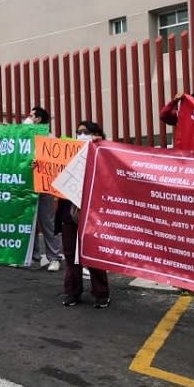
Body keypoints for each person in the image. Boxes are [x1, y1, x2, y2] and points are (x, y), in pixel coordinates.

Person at [60, 121, 110, 307]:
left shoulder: (103, 152)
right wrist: (40, 167)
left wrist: (100, 144)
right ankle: (72, 292)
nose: (80, 135)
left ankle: (101, 293)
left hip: (92, 212)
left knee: (94, 253)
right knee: (71, 254)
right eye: (77, 132)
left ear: (95, 134)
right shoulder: (69, 153)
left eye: (85, 132)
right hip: (69, 212)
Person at [25, 106, 63, 271]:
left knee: (47, 222)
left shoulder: (49, 137)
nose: (28, 117)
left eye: (31, 115)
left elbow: (54, 161)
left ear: (39, 119)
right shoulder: (24, 136)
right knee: (29, 222)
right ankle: (33, 257)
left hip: (44, 185)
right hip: (28, 185)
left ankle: (54, 257)